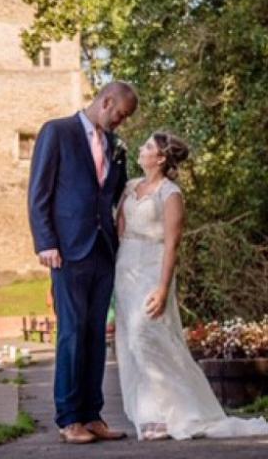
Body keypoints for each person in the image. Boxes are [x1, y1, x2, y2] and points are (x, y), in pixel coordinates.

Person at [113, 132, 268, 440]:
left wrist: (162, 286)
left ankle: (181, 411)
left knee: (148, 336)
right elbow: (120, 227)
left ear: (159, 158)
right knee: (131, 340)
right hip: (125, 266)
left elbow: (172, 244)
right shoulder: (130, 187)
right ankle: (151, 417)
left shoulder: (171, 194)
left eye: (147, 147)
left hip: (153, 268)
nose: (141, 150)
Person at [28, 81, 138, 444]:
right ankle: (69, 418)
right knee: (72, 334)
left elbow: (112, 193)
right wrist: (46, 242)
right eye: (120, 114)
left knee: (95, 337)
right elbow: (39, 193)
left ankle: (93, 416)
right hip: (67, 251)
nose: (121, 123)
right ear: (106, 102)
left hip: (103, 250)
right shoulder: (56, 132)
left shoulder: (113, 145)